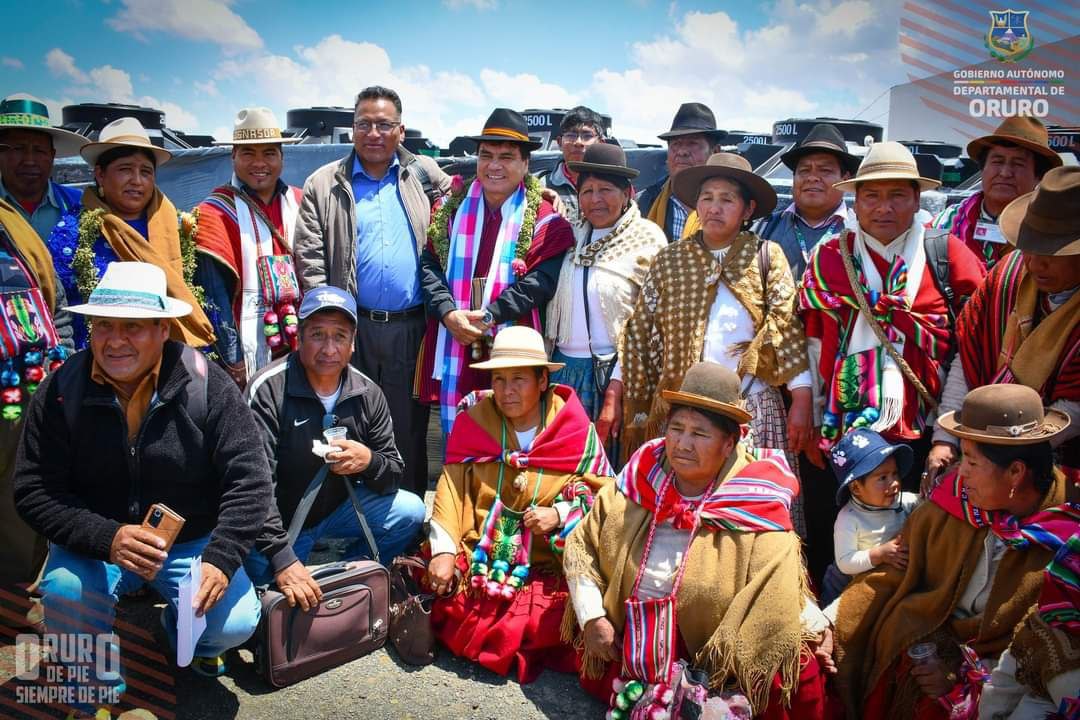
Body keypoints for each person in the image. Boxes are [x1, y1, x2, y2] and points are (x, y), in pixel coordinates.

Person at [13, 262, 271, 711]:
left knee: (233, 623)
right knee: (67, 592)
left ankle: (179, 637)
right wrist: (106, 537)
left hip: (187, 543)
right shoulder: (60, 391)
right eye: (104, 326)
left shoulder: (208, 385)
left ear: (163, 330)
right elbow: (33, 488)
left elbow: (250, 480)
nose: (115, 341)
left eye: (133, 327)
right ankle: (94, 682)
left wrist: (221, 558)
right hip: (96, 543)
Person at [564, 362, 830, 719]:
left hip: (713, 656)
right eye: (676, 428)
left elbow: (777, 586)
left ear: (729, 443)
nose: (682, 444)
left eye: (699, 434)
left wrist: (818, 625)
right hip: (633, 643)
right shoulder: (640, 477)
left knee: (795, 666)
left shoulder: (756, 499)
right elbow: (583, 545)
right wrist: (593, 617)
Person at [834, 384, 1079, 719]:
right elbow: (893, 568)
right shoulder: (951, 504)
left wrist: (959, 674)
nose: (960, 471)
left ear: (1016, 472)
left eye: (972, 462)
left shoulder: (1067, 542)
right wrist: (824, 621)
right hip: (931, 647)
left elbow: (1044, 653)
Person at [620, 152, 814, 532]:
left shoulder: (765, 256)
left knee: (750, 510)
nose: (714, 207)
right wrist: (639, 407)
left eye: (727, 199)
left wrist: (802, 397)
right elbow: (640, 332)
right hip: (683, 409)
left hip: (750, 405)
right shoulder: (671, 260)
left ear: (748, 208)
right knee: (679, 512)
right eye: (707, 197)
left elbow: (785, 324)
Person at [423, 326, 612, 682]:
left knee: (553, 620)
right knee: (447, 597)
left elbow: (606, 497)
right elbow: (450, 486)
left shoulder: (575, 429)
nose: (506, 391)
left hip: (544, 561)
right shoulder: (474, 422)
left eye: (518, 380)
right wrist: (443, 553)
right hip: (482, 551)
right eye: (499, 379)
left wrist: (560, 514)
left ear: (543, 381)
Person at [294, 86, 451, 498]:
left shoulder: (425, 175)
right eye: (364, 124)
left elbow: (476, 199)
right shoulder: (324, 183)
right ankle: (348, 516)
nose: (374, 133)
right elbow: (310, 256)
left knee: (408, 427)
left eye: (384, 124)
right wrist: (329, 326)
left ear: (400, 130)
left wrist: (543, 198)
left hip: (410, 328)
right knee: (346, 419)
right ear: (352, 130)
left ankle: (408, 517)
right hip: (351, 326)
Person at [799, 142, 986, 482]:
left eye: (897, 195)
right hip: (843, 423)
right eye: (871, 196)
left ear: (917, 200)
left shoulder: (948, 255)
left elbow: (974, 344)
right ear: (855, 201)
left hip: (928, 424)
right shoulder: (828, 258)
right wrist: (815, 420)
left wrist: (951, 433)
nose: (884, 208)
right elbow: (813, 344)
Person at [244, 286, 426, 606]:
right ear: (298, 337)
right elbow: (253, 488)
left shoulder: (367, 393)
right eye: (317, 334)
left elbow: (393, 470)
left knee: (411, 511)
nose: (329, 348)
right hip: (282, 523)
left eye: (340, 336)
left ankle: (349, 574)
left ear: (353, 343)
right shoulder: (268, 389)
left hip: (338, 510)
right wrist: (283, 558)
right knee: (263, 597)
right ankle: (291, 570)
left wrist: (369, 461)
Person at [419, 108, 575, 435]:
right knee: (462, 436)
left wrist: (488, 316)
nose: (494, 166)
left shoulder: (545, 218)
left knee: (512, 435)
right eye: (486, 155)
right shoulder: (450, 209)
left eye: (506, 157)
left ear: (525, 164)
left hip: (512, 344)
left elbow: (539, 283)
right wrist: (449, 314)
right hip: (455, 338)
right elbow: (429, 266)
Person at [929, 166, 1080, 479]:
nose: (1036, 263)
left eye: (1053, 252)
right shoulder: (1007, 276)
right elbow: (968, 357)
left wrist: (993, 452)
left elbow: (1075, 408)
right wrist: (945, 439)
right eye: (1030, 247)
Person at [44, 117, 214, 351]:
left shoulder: (175, 227)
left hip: (168, 356)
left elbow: (197, 295)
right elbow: (59, 307)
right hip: (101, 359)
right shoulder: (74, 231)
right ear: (100, 174)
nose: (137, 180)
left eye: (146, 171)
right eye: (125, 169)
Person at [546, 143, 666, 461]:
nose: (595, 199)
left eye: (606, 190)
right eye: (588, 190)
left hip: (614, 377)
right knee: (565, 469)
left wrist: (618, 385)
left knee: (609, 469)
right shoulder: (570, 237)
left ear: (628, 192)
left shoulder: (648, 239)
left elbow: (650, 322)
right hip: (564, 374)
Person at [0, 199, 73, 628]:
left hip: (24, 386)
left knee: (19, 495)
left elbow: (55, 304)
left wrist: (57, 371)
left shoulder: (14, 225)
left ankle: (16, 601)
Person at [195, 107, 303, 388]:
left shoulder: (301, 203)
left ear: (281, 156)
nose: (259, 163)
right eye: (248, 153)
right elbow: (214, 296)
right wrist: (233, 361)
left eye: (268, 153)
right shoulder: (214, 213)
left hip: (299, 340)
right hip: (247, 350)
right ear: (233, 156)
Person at [931, 116, 1061, 271]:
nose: (1005, 173)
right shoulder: (942, 225)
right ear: (982, 168)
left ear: (1039, 176)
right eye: (997, 162)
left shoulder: (1055, 232)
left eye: (1018, 164)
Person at [820, 428, 918, 606]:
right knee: (837, 624)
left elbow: (926, 505)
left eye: (895, 474)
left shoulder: (903, 502)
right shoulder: (849, 519)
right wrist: (879, 554)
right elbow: (846, 562)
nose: (894, 483)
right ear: (856, 488)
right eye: (882, 478)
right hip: (845, 583)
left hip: (881, 583)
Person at [753, 122, 860, 282]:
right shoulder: (764, 228)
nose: (812, 177)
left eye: (825, 170)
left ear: (845, 179)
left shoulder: (859, 233)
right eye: (804, 170)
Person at [0, 93, 87, 241]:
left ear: (52, 155)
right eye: (19, 149)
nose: (29, 161)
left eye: (39, 150)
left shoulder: (79, 205)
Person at [636, 102, 726, 243]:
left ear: (715, 152)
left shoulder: (732, 205)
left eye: (692, 143)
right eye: (676, 144)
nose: (682, 152)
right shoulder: (645, 201)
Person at [541, 105, 607, 227]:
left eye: (587, 136)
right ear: (560, 142)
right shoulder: (541, 185)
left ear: (601, 143)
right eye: (571, 135)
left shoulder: (614, 187)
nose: (578, 142)